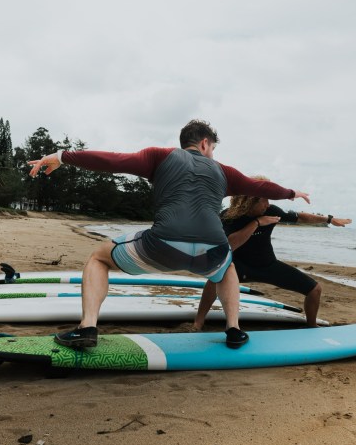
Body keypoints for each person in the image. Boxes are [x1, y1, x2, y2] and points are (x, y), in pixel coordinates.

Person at [28, 120, 309, 349]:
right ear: (204, 143)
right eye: (213, 148)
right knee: (227, 268)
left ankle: (87, 327)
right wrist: (290, 193)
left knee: (99, 258)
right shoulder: (225, 172)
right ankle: (233, 330)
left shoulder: (159, 157)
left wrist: (62, 157)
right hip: (210, 253)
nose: (213, 155)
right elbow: (261, 188)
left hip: (161, 248)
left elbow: (113, 161)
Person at [193, 179, 351, 329]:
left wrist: (329, 219)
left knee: (315, 290)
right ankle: (198, 323)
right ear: (251, 201)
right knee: (214, 279)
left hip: (267, 266)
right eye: (264, 200)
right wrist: (256, 223)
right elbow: (230, 245)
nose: (268, 204)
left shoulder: (271, 211)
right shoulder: (229, 216)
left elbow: (300, 217)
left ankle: (311, 326)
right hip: (239, 268)